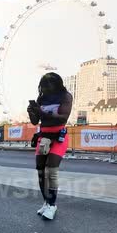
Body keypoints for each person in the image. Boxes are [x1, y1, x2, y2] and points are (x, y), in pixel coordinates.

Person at [27, 72, 73, 220]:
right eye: (43, 86)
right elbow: (35, 121)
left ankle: (52, 205)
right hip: (44, 137)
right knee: (40, 171)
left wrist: (41, 112)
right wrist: (32, 112)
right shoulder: (42, 98)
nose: (45, 89)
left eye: (48, 86)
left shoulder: (66, 96)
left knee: (51, 169)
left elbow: (63, 118)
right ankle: (46, 202)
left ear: (57, 84)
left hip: (58, 136)